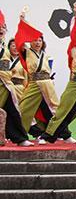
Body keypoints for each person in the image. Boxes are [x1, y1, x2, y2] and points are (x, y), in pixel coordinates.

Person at [41, 3, 76, 144]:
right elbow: (75, 35)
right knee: (64, 111)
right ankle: (49, 136)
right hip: (75, 86)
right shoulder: (74, 51)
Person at [16, 10, 60, 140]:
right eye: (34, 40)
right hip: (34, 83)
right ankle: (21, 135)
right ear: (30, 42)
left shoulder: (45, 55)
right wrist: (23, 21)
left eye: (39, 40)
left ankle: (61, 134)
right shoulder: (27, 52)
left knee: (54, 110)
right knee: (24, 108)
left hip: (46, 83)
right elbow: (20, 40)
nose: (37, 42)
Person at [0, 11, 32, 146]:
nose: (1, 31)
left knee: (13, 111)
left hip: (6, 85)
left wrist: (23, 21)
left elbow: (22, 40)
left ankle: (20, 138)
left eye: (2, 29)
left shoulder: (4, 47)